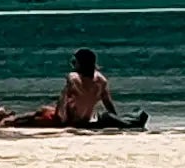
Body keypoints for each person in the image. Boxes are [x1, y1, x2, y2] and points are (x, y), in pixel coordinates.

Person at [12, 48, 148, 130]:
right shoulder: (101, 80)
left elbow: (64, 101)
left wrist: (63, 122)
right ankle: (10, 119)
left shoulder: (73, 78)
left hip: (68, 120)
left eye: (74, 62)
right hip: (84, 119)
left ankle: (7, 121)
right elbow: (108, 104)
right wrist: (116, 118)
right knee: (42, 111)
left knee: (39, 113)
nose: (72, 65)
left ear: (80, 64)